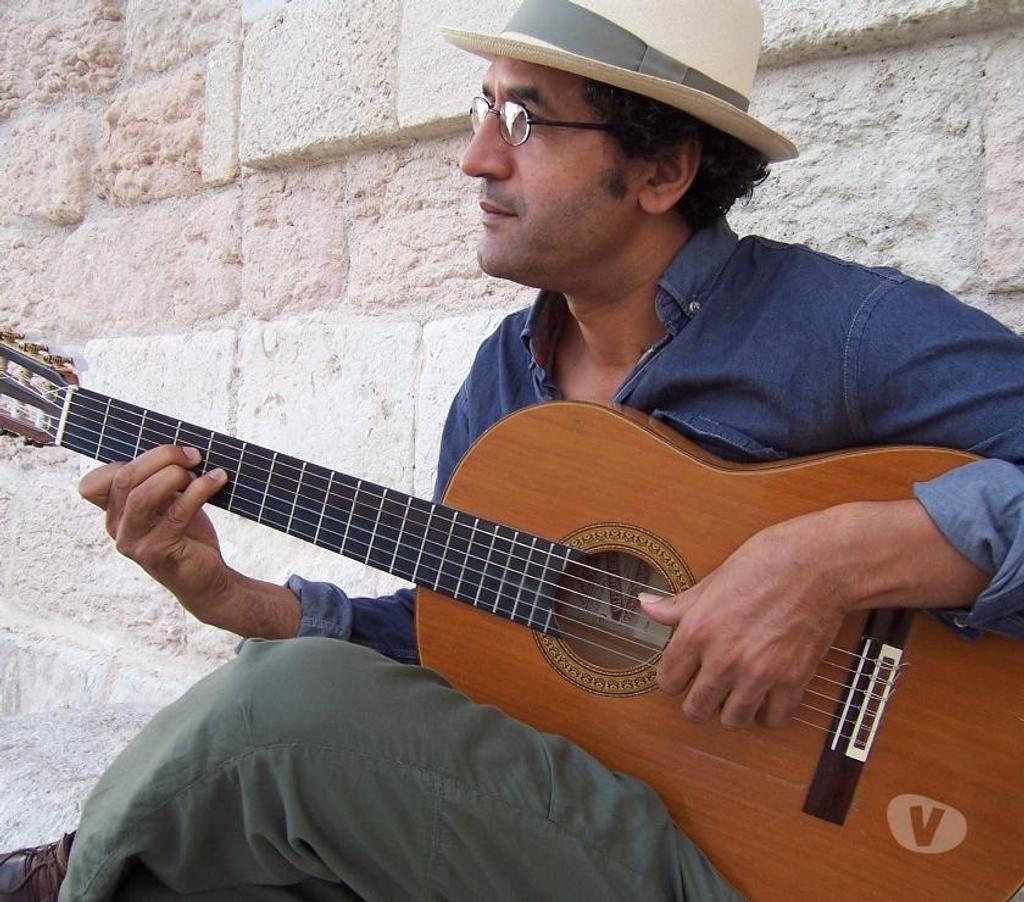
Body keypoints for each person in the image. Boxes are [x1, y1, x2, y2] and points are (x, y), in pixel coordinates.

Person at [3, 0, 1023, 899]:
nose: (476, 156)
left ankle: (59, 874)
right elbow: (470, 646)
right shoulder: (505, 380)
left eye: (524, 119)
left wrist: (827, 561)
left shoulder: (839, 330)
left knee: (280, 707)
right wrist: (242, 602)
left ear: (662, 170)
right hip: (582, 829)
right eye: (482, 108)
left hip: (794, 867)